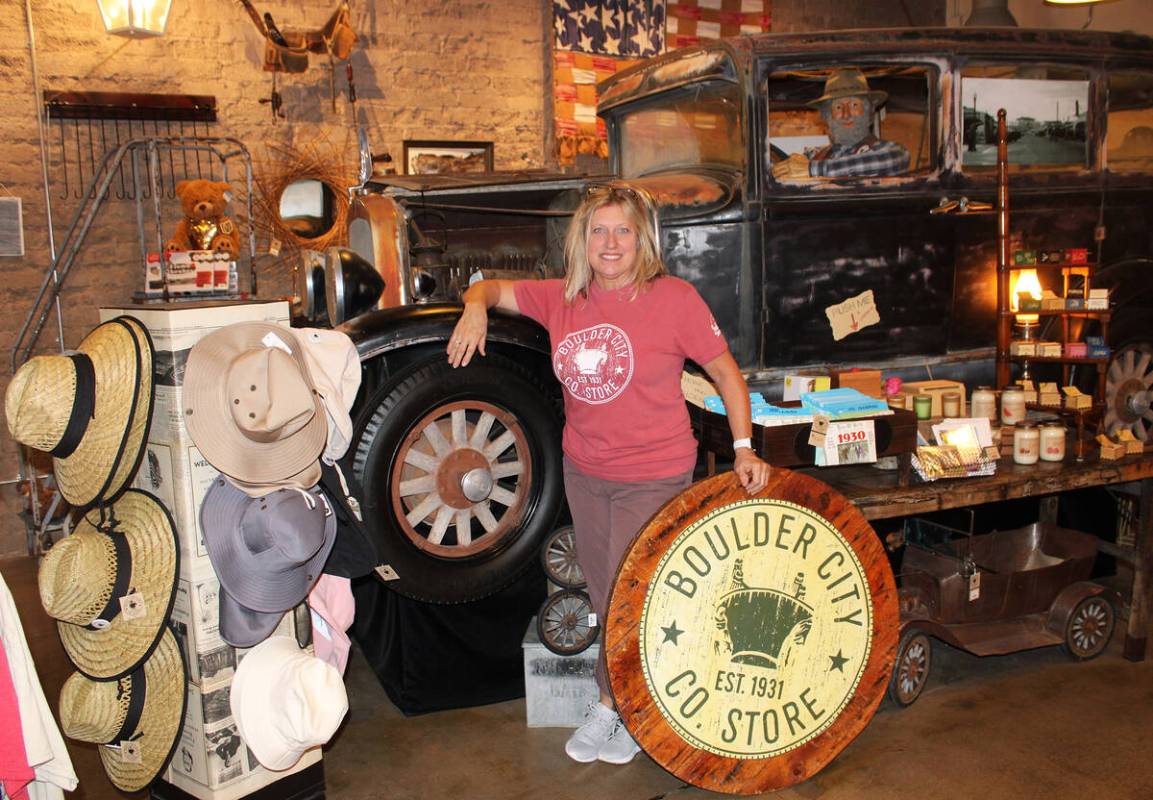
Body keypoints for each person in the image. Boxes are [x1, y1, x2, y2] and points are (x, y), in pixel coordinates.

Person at [447, 182, 770, 766]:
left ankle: (613, 707)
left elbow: (726, 374)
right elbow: (489, 286)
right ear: (582, 240)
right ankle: (632, 700)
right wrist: (474, 305)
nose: (611, 242)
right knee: (604, 594)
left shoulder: (674, 299)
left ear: (642, 239)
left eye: (623, 230)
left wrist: (744, 448)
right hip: (586, 471)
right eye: (599, 230)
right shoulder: (561, 298)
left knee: (628, 597)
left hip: (654, 472)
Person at [772, 67, 910, 181]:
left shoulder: (892, 152)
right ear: (827, 116)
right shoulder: (816, 154)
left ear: (869, 112)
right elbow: (794, 164)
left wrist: (811, 169)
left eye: (854, 105)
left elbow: (893, 159)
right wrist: (789, 165)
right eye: (838, 107)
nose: (846, 114)